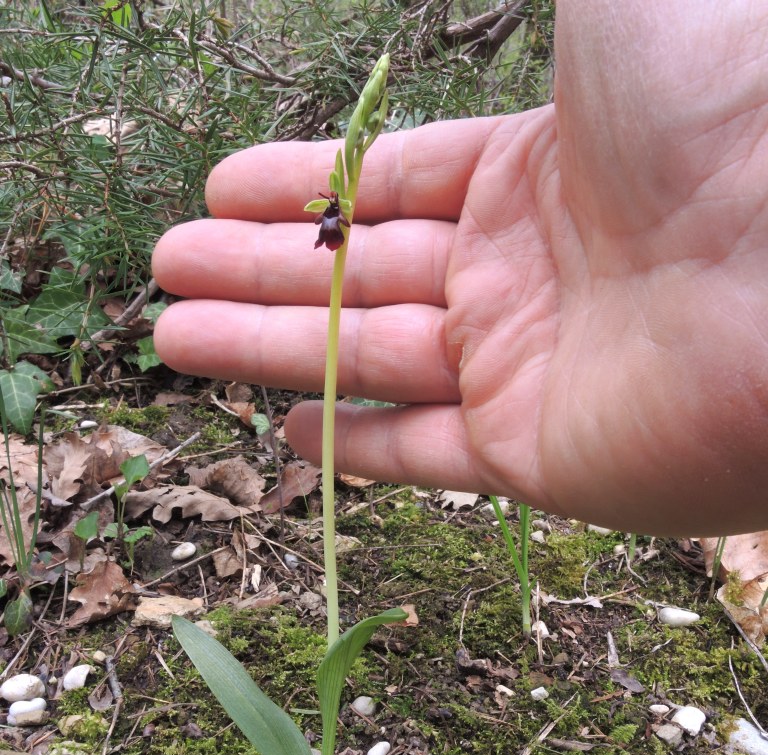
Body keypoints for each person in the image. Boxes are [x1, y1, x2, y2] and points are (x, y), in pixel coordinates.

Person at [152, 0, 768, 538]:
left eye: (335, 211)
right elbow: (329, 212)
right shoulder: (331, 212)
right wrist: (332, 215)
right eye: (332, 210)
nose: (333, 215)